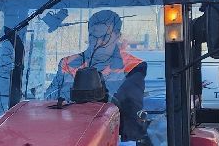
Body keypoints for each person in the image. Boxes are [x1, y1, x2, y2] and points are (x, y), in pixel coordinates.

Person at [46, 9, 148, 139]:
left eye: (105, 37)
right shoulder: (68, 63)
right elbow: (49, 100)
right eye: (93, 36)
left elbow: (130, 114)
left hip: (113, 136)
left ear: (118, 36)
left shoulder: (133, 66)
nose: (98, 43)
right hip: (70, 133)